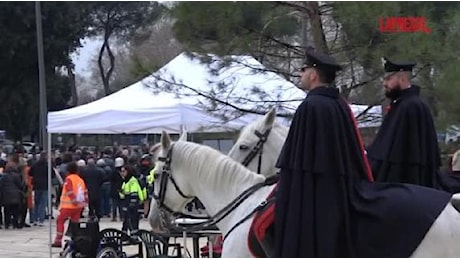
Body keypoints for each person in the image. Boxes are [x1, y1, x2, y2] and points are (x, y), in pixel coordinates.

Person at [273, 49, 451, 257]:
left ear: (313, 74)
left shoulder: (311, 107)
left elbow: (302, 162)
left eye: (303, 70)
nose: (300, 74)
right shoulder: (338, 105)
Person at [366, 57, 443, 188]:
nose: (385, 83)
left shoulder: (410, 106)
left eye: (388, 79)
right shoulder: (402, 104)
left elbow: (399, 151)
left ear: (401, 78)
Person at [52, 161, 88, 248]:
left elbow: (69, 190)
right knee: (75, 223)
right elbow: (85, 192)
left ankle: (58, 240)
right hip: (78, 207)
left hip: (68, 206)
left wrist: (73, 200)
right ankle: (75, 239)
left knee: (60, 221)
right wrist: (85, 203)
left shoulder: (69, 179)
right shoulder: (80, 180)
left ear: (68, 170)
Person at [119, 165, 145, 234]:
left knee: (132, 221)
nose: (122, 173)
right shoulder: (125, 181)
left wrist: (132, 204)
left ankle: (134, 236)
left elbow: (134, 193)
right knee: (126, 221)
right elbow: (124, 193)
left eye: (124, 171)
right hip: (127, 202)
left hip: (132, 203)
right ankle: (124, 235)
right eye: (121, 172)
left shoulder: (132, 181)